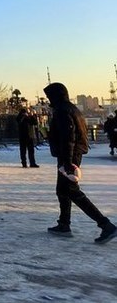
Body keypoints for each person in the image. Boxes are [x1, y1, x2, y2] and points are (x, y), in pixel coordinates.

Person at [44, 82, 116, 244]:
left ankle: (105, 225)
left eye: (50, 96)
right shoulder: (70, 109)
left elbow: (68, 138)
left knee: (72, 191)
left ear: (57, 95)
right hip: (69, 155)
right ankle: (64, 224)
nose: (49, 100)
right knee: (62, 190)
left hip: (69, 156)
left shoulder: (63, 111)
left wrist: (68, 162)